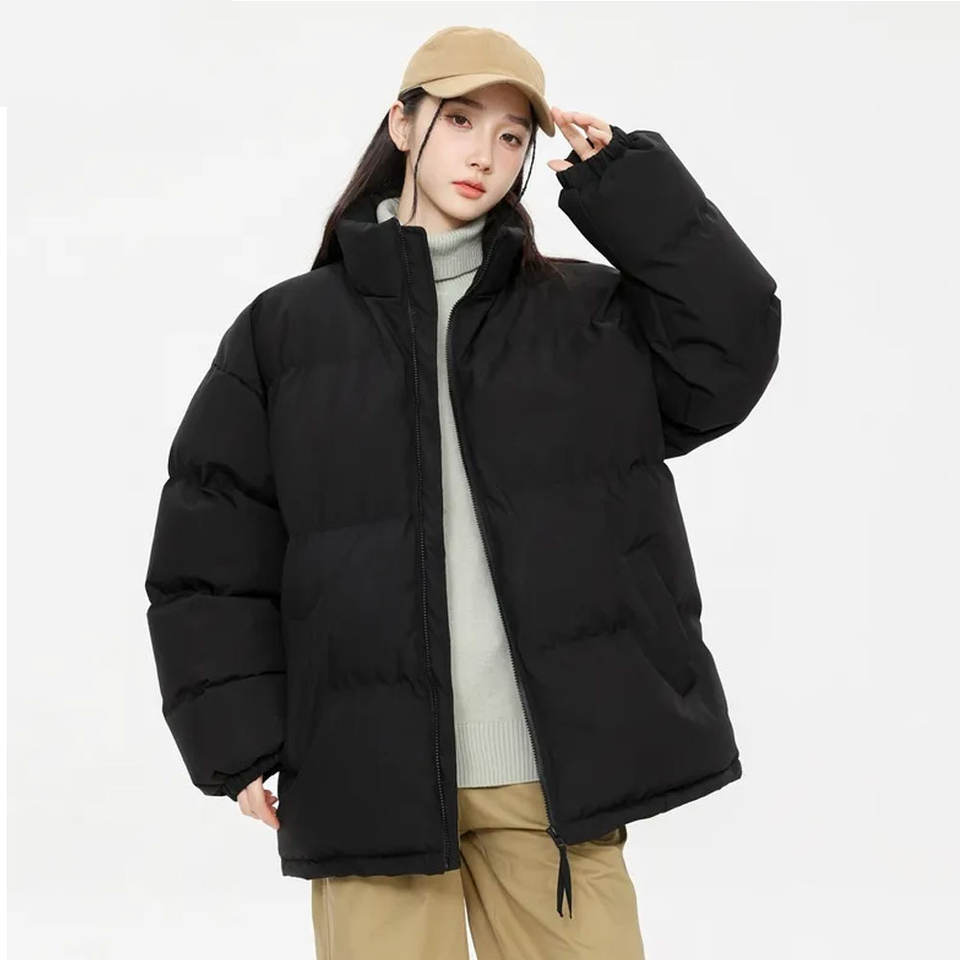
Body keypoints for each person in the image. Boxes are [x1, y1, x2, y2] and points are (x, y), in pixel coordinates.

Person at [145, 24, 781, 960]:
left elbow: (728, 349)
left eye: (513, 135)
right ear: (402, 125)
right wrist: (233, 738)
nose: (485, 153)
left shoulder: (585, 318)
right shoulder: (285, 333)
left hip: (549, 776)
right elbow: (211, 550)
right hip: (367, 773)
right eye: (459, 120)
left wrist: (628, 187)